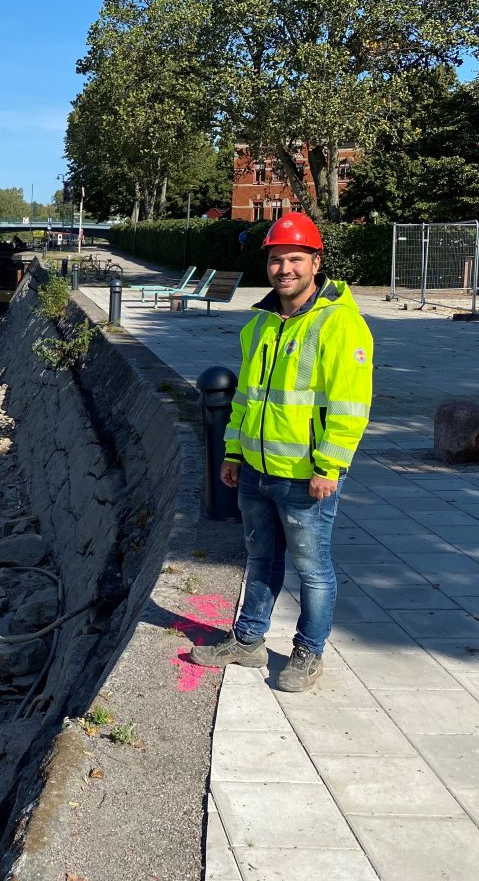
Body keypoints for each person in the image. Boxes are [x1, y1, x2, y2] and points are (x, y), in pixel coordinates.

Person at [190, 211, 374, 691]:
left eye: (295, 258)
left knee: (313, 570)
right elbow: (246, 399)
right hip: (256, 469)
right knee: (260, 558)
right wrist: (233, 454)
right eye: (276, 259)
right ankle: (247, 642)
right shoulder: (260, 324)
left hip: (305, 475)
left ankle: (309, 653)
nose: (284, 268)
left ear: (316, 261)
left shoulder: (340, 325)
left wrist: (329, 466)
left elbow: (350, 406)